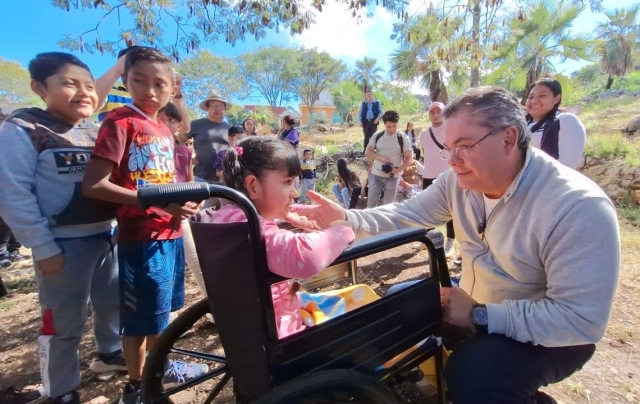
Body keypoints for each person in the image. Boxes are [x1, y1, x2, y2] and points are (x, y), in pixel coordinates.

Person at [297, 86, 620, 404]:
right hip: (475, 299)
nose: (452, 160)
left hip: (552, 337)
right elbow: (410, 213)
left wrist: (481, 316)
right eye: (448, 148)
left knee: (475, 373)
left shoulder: (578, 207)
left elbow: (580, 321)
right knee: (398, 304)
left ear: (508, 138)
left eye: (464, 146)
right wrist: (346, 218)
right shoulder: (459, 181)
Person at [81, 47, 207, 404]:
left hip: (168, 234)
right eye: (140, 81)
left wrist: (180, 204)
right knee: (138, 319)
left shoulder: (163, 130)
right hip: (140, 238)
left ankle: (159, 369)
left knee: (161, 313)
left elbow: (159, 182)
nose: (150, 91)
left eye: (159, 84)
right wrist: (154, 203)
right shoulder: (120, 121)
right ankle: (136, 387)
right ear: (125, 81)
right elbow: (95, 185)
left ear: (172, 88)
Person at [0, 52, 123, 404]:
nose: (84, 93)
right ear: (39, 87)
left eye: (88, 85)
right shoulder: (23, 129)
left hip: (107, 235)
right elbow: (12, 193)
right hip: (62, 246)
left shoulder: (91, 129)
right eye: (70, 84)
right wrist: (41, 245)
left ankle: (110, 352)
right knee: (62, 321)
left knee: (110, 303)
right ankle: (60, 389)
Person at [214, 136, 357, 338]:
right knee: (363, 301)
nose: (295, 192)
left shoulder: (226, 216)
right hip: (282, 335)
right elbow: (306, 258)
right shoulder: (250, 227)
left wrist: (290, 212)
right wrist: (343, 230)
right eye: (288, 182)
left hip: (247, 331)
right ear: (253, 186)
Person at [420, 102, 456, 256]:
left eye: (439, 112)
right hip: (428, 175)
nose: (435, 115)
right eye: (432, 112)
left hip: (447, 175)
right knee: (427, 208)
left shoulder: (451, 130)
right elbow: (425, 153)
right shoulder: (424, 135)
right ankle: (428, 239)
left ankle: (450, 241)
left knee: (450, 210)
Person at [525, 78, 586, 169]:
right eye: (531, 97)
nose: (534, 101)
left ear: (556, 99)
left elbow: (567, 166)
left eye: (542, 96)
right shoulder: (519, 125)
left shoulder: (566, 121)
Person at [180, 88, 232, 184]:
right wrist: (186, 158)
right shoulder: (196, 124)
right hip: (201, 178)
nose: (218, 109)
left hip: (225, 179)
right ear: (207, 108)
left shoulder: (231, 129)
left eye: (221, 106)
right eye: (215, 106)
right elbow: (178, 141)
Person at [364, 110, 412, 208]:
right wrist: (380, 158)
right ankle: (370, 223)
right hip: (376, 174)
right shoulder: (377, 135)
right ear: (384, 124)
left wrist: (398, 170)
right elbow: (367, 152)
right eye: (389, 127)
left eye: (394, 126)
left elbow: (409, 159)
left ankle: (385, 223)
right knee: (371, 205)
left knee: (388, 206)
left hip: (393, 177)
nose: (391, 129)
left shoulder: (402, 137)